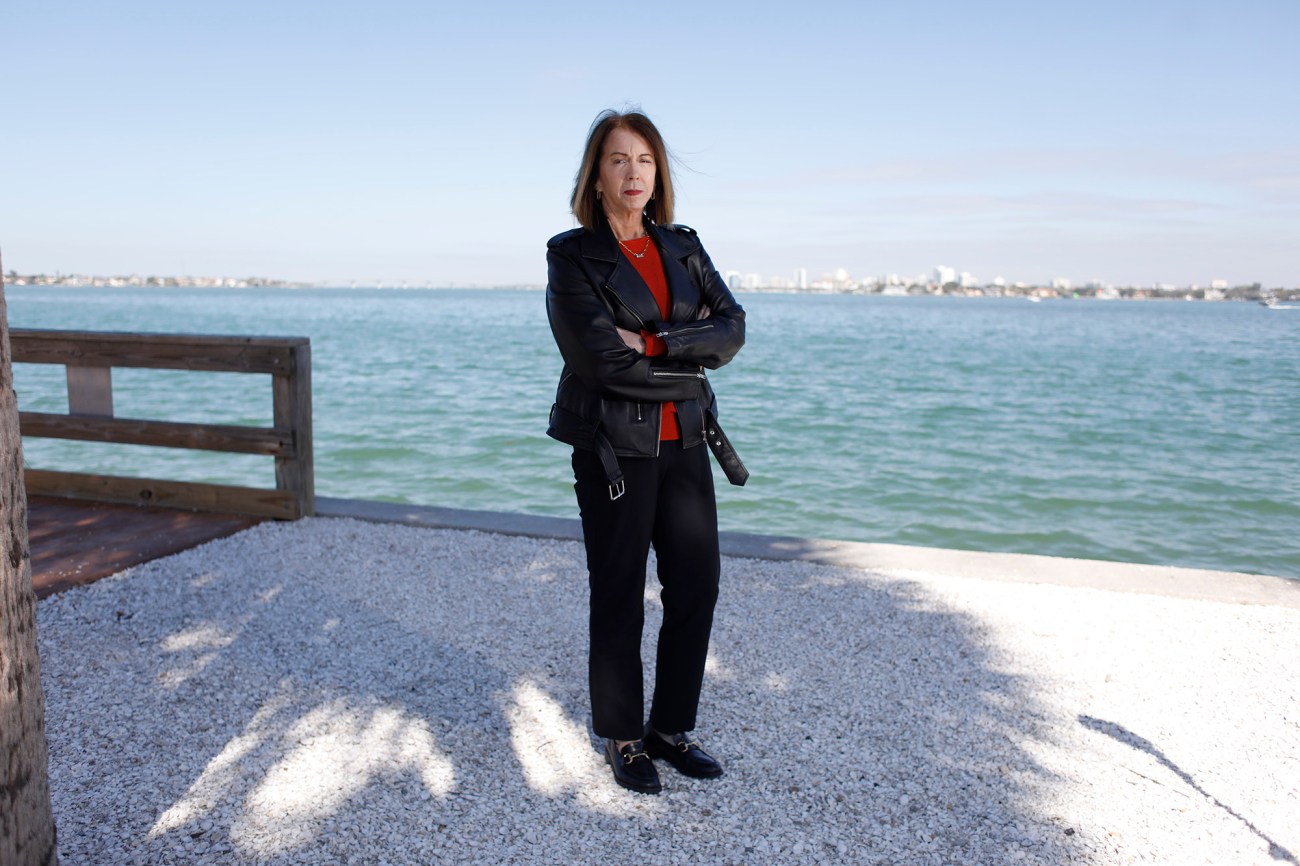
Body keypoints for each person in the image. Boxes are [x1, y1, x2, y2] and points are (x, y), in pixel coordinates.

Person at [545, 109, 747, 795]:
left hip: (685, 440)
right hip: (614, 449)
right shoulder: (571, 256)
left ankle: (670, 729)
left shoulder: (683, 246)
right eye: (617, 160)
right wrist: (691, 354)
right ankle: (625, 737)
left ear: (658, 174)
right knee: (620, 592)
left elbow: (732, 329)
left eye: (645, 160)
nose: (633, 173)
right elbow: (601, 362)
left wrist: (660, 344)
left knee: (697, 585)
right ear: (595, 177)